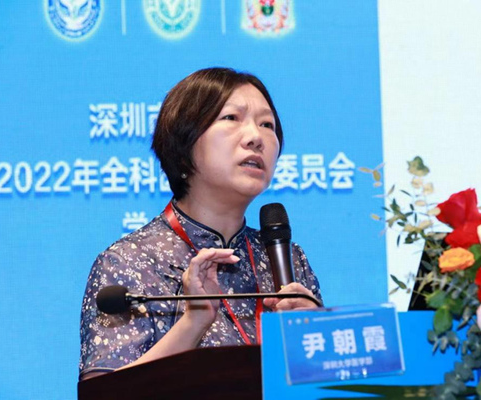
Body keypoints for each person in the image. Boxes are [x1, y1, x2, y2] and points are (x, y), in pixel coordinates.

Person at [79, 67, 322, 380]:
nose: (256, 138)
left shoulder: (289, 260)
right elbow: (103, 392)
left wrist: (317, 345)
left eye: (267, 124)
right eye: (231, 118)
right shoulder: (128, 262)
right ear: (183, 146)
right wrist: (193, 322)